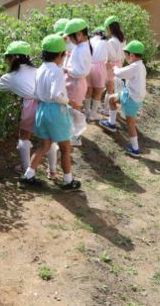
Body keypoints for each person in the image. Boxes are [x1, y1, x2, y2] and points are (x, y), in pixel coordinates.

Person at [0, 41, 58, 177]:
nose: (7, 61)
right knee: (49, 138)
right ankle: (52, 170)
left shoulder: (10, 77)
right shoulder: (37, 70)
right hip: (47, 104)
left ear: (12, 58)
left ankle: (25, 168)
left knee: (24, 136)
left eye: (7, 58)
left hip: (31, 105)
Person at [20, 34, 81, 191]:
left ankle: (28, 176)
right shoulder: (57, 71)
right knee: (65, 148)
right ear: (60, 54)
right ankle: (68, 181)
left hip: (42, 110)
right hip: (55, 112)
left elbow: (35, 92)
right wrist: (69, 101)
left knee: (44, 146)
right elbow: (56, 95)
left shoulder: (40, 69)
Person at [99, 41, 147, 158]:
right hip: (130, 94)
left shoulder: (135, 67)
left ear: (131, 55)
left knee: (130, 124)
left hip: (132, 98)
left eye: (126, 55)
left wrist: (114, 67)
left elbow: (119, 74)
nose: (125, 58)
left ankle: (135, 149)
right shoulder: (140, 65)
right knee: (111, 99)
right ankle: (111, 123)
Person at [63, 18, 92, 146]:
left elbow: (81, 71)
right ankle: (74, 134)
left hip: (76, 83)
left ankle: (75, 136)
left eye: (71, 37)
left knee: (74, 110)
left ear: (79, 34)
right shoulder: (81, 46)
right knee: (73, 109)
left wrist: (66, 69)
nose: (70, 40)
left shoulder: (82, 49)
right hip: (75, 82)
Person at [103, 16, 126, 114]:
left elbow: (110, 56)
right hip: (119, 64)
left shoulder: (111, 41)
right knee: (114, 87)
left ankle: (107, 109)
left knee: (109, 89)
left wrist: (105, 62)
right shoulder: (122, 39)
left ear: (109, 28)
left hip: (111, 65)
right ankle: (111, 108)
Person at [85, 25, 109, 121]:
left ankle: (87, 112)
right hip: (99, 66)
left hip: (88, 66)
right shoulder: (104, 42)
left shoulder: (89, 41)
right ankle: (93, 114)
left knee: (88, 90)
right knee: (98, 91)